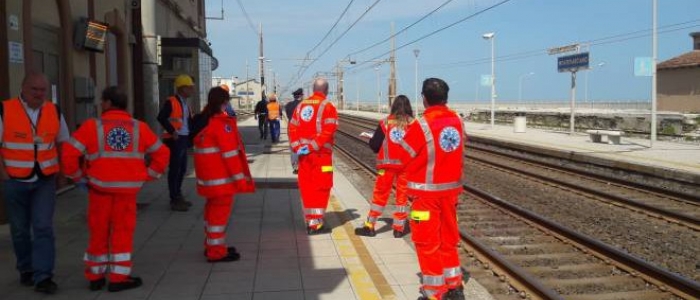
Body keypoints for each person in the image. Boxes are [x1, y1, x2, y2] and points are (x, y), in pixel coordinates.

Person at [61, 86, 170, 292]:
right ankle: (119, 278)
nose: (101, 105)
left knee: (98, 233)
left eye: (102, 101)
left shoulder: (92, 126)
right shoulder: (138, 127)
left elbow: (68, 152)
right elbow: (162, 153)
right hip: (127, 194)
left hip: (99, 191)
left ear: (109, 103)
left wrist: (77, 177)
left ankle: (95, 276)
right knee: (122, 234)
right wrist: (149, 176)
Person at [0, 73, 70, 294]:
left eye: (43, 90)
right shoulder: (5, 110)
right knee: (20, 230)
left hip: (44, 180)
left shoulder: (54, 111)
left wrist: (62, 173)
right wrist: (3, 174)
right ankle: (26, 268)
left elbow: (62, 143)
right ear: (23, 88)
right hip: (14, 180)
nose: (39, 94)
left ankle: (44, 276)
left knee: (43, 227)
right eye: (34, 90)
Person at [398, 78, 465, 300]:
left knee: (427, 243)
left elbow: (402, 155)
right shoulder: (457, 120)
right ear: (446, 98)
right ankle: (455, 285)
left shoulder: (422, 124)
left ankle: (435, 292)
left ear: (424, 99)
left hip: (425, 195)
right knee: (448, 239)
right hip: (451, 193)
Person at [192, 87, 254, 262]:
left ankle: (211, 245)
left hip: (208, 179)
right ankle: (216, 251)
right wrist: (240, 180)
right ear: (224, 102)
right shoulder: (220, 125)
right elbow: (230, 155)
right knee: (218, 217)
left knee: (211, 213)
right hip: (222, 180)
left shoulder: (204, 120)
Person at [355, 95, 414, 238]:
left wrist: (370, 139)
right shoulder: (413, 123)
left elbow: (375, 145)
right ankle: (399, 229)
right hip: (406, 167)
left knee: (380, 195)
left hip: (385, 167)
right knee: (402, 197)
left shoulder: (385, 123)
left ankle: (370, 226)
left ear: (393, 106)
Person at [288, 78, 338, 235]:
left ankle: (310, 219)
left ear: (313, 89)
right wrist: (312, 146)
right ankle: (316, 223)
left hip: (304, 156)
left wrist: (297, 147)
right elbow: (328, 132)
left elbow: (292, 127)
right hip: (321, 156)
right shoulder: (328, 107)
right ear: (326, 90)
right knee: (321, 187)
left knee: (307, 186)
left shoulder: (301, 105)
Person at [157, 74, 195, 212]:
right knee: (175, 169)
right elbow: (161, 117)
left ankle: (178, 195)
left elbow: (188, 121)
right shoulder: (172, 101)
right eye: (190, 87)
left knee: (182, 168)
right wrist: (172, 131)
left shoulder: (185, 103)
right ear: (182, 88)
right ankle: (174, 198)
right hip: (175, 139)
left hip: (183, 138)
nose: (192, 90)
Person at [284, 88, 303, 174]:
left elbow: (288, 116)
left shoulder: (288, 105)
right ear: (301, 96)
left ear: (294, 96)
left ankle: (296, 167)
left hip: (291, 127)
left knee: (293, 147)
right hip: (302, 128)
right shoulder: (304, 105)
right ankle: (303, 166)